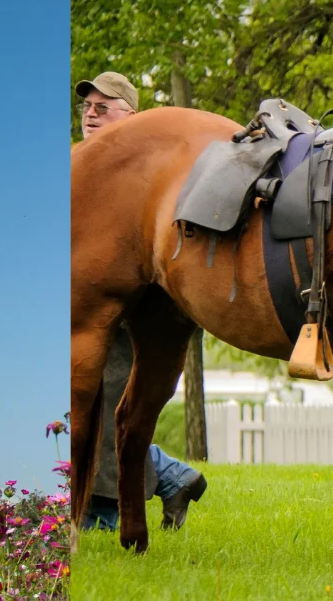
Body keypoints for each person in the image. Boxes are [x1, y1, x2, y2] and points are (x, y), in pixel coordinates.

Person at [75, 72, 209, 531]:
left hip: (128, 307)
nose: (91, 112)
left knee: (106, 393)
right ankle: (172, 475)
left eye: (103, 105)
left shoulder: (145, 168)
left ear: (131, 116)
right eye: (86, 106)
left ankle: (108, 508)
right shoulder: (81, 163)